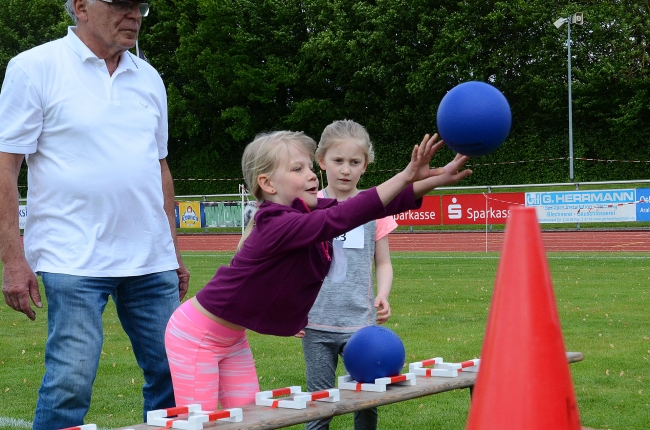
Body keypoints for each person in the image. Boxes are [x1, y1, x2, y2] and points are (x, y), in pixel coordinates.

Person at [164, 129, 471, 411]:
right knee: (199, 422)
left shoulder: (305, 212)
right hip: (195, 336)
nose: (311, 175)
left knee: (247, 419)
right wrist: (404, 176)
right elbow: (347, 215)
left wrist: (431, 180)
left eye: (310, 167)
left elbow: (366, 207)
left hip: (232, 339)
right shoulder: (277, 223)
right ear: (267, 184)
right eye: (297, 169)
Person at [0, 0, 189, 428]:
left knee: (174, 376)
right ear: (81, 7)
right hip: (73, 258)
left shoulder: (149, 77)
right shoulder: (34, 67)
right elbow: (5, 166)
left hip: (150, 259)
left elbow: (159, 167)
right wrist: (14, 258)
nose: (134, 15)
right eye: (121, 5)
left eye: (139, 6)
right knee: (70, 383)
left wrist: (173, 250)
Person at [298, 120, 397, 430]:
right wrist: (292, 312)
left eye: (354, 162)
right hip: (316, 326)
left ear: (365, 165)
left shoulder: (375, 207)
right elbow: (293, 268)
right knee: (320, 407)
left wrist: (383, 293)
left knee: (367, 403)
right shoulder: (306, 207)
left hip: (361, 326)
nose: (345, 169)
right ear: (322, 161)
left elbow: (383, 262)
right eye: (338, 161)